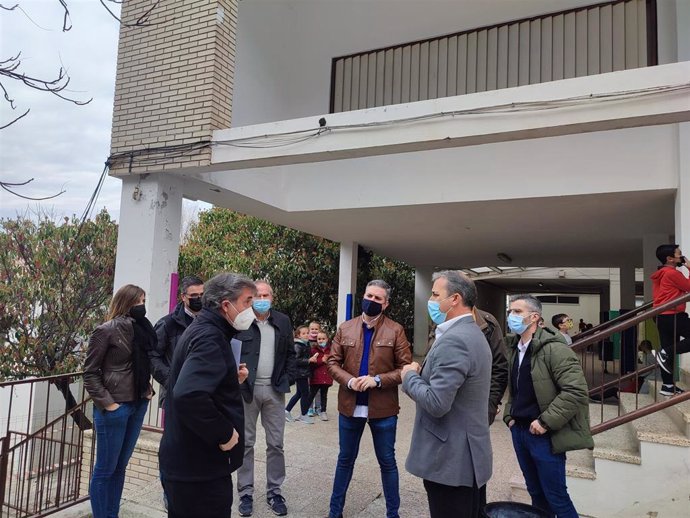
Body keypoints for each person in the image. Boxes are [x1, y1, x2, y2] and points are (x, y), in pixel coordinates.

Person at [158, 272, 254, 518]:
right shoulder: (210, 337)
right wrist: (225, 433)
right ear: (226, 305)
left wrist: (229, 379)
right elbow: (189, 396)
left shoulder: (206, 329)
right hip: (198, 471)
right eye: (247, 302)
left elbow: (198, 384)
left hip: (191, 466)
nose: (251, 310)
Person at [402, 271, 492, 518]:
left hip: (451, 462)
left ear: (454, 299)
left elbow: (437, 402)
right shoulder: (471, 333)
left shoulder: (456, 340)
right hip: (465, 459)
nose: (430, 300)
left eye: (435, 294)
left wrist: (409, 376)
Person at [326, 279, 412, 518]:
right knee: (345, 460)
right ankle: (335, 512)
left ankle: (392, 513)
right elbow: (332, 362)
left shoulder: (395, 330)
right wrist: (349, 380)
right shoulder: (346, 328)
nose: (371, 301)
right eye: (369, 295)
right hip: (349, 407)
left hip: (383, 409)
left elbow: (406, 369)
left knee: (387, 462)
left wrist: (377, 380)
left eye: (377, 298)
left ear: (385, 304)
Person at [504, 294, 593, 518]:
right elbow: (516, 389)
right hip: (520, 430)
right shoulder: (516, 348)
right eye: (510, 312)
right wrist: (509, 416)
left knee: (557, 498)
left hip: (544, 435)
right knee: (535, 493)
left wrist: (545, 421)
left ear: (534, 317)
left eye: (516, 312)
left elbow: (575, 390)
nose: (511, 317)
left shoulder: (555, 349)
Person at [84, 284, 155, 518]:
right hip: (115, 408)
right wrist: (109, 404)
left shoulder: (142, 329)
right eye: (137, 302)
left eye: (144, 302)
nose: (141, 307)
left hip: (137, 404)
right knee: (105, 470)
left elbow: (143, 363)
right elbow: (90, 373)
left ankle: (112, 514)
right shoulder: (106, 330)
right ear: (125, 303)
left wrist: (146, 390)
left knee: (120, 468)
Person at [237, 280, 296, 517]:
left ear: (272, 297)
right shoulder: (241, 321)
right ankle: (245, 493)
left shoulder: (282, 321)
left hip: (274, 391)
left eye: (266, 295)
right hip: (247, 392)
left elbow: (292, 353)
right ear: (251, 298)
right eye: (257, 295)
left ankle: (274, 491)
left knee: (276, 444)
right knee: (246, 444)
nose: (262, 299)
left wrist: (287, 379)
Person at [150, 275, 204, 417]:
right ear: (183, 297)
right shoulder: (167, 324)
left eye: (202, 295)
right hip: (175, 395)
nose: (199, 299)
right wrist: (171, 380)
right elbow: (152, 356)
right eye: (194, 295)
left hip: (204, 394)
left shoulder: (210, 322)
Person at [651, 244, 690, 395]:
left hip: (661, 316)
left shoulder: (661, 273)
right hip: (673, 315)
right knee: (668, 351)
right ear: (670, 258)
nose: (682, 256)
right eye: (679, 254)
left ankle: (667, 386)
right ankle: (664, 353)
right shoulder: (672, 273)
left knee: (669, 347)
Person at [285, 326, 317, 424]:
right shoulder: (298, 345)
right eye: (304, 333)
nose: (307, 335)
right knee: (305, 393)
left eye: (307, 332)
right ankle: (303, 414)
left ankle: (287, 411)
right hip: (300, 373)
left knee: (299, 393)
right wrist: (309, 360)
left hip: (303, 372)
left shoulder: (305, 344)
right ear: (298, 335)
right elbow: (295, 360)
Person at [305, 330, 334, 421]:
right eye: (319, 339)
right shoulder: (313, 350)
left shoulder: (331, 350)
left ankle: (323, 411)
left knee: (324, 395)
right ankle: (305, 410)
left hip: (326, 377)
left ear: (327, 339)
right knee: (311, 394)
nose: (321, 340)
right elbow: (311, 364)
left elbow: (334, 362)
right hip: (316, 377)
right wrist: (321, 360)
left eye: (323, 338)